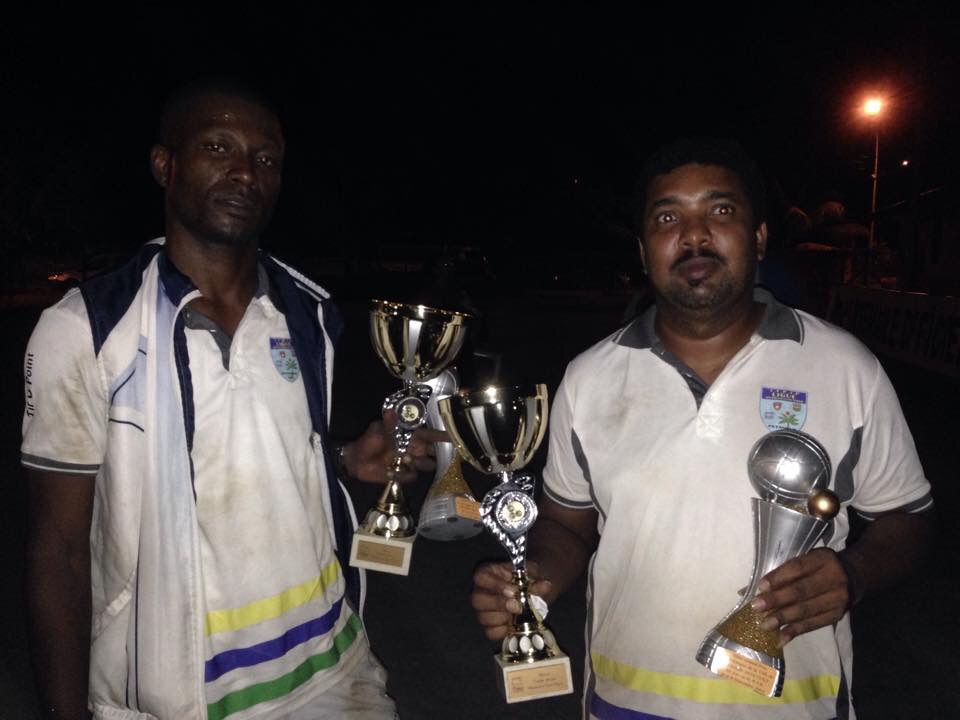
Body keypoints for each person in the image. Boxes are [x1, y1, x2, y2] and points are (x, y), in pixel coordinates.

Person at [472, 137, 934, 719]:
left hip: (793, 708)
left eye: (720, 211)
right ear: (643, 251)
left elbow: (907, 518)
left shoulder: (845, 368)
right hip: (626, 702)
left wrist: (854, 573)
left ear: (759, 237)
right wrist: (534, 575)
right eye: (668, 217)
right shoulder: (590, 378)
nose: (694, 235)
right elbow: (568, 524)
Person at [22, 79, 441, 720]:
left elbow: (268, 447)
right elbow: (58, 547)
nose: (245, 171)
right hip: (171, 696)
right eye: (218, 146)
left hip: (331, 672)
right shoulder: (86, 328)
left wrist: (345, 459)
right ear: (166, 166)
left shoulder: (308, 312)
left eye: (265, 158)